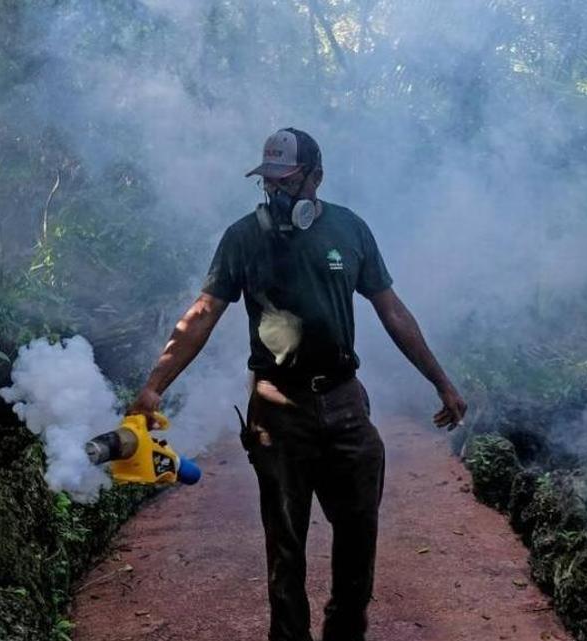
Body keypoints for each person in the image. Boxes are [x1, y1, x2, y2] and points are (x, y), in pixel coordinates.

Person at [128, 128, 467, 641]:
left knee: (358, 536)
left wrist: (441, 382)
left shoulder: (350, 231)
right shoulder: (243, 237)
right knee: (285, 545)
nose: (276, 193)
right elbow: (202, 315)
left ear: (316, 177)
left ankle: (344, 632)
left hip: (345, 402)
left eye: (287, 181)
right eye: (269, 182)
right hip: (277, 411)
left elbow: (392, 311)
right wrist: (155, 385)